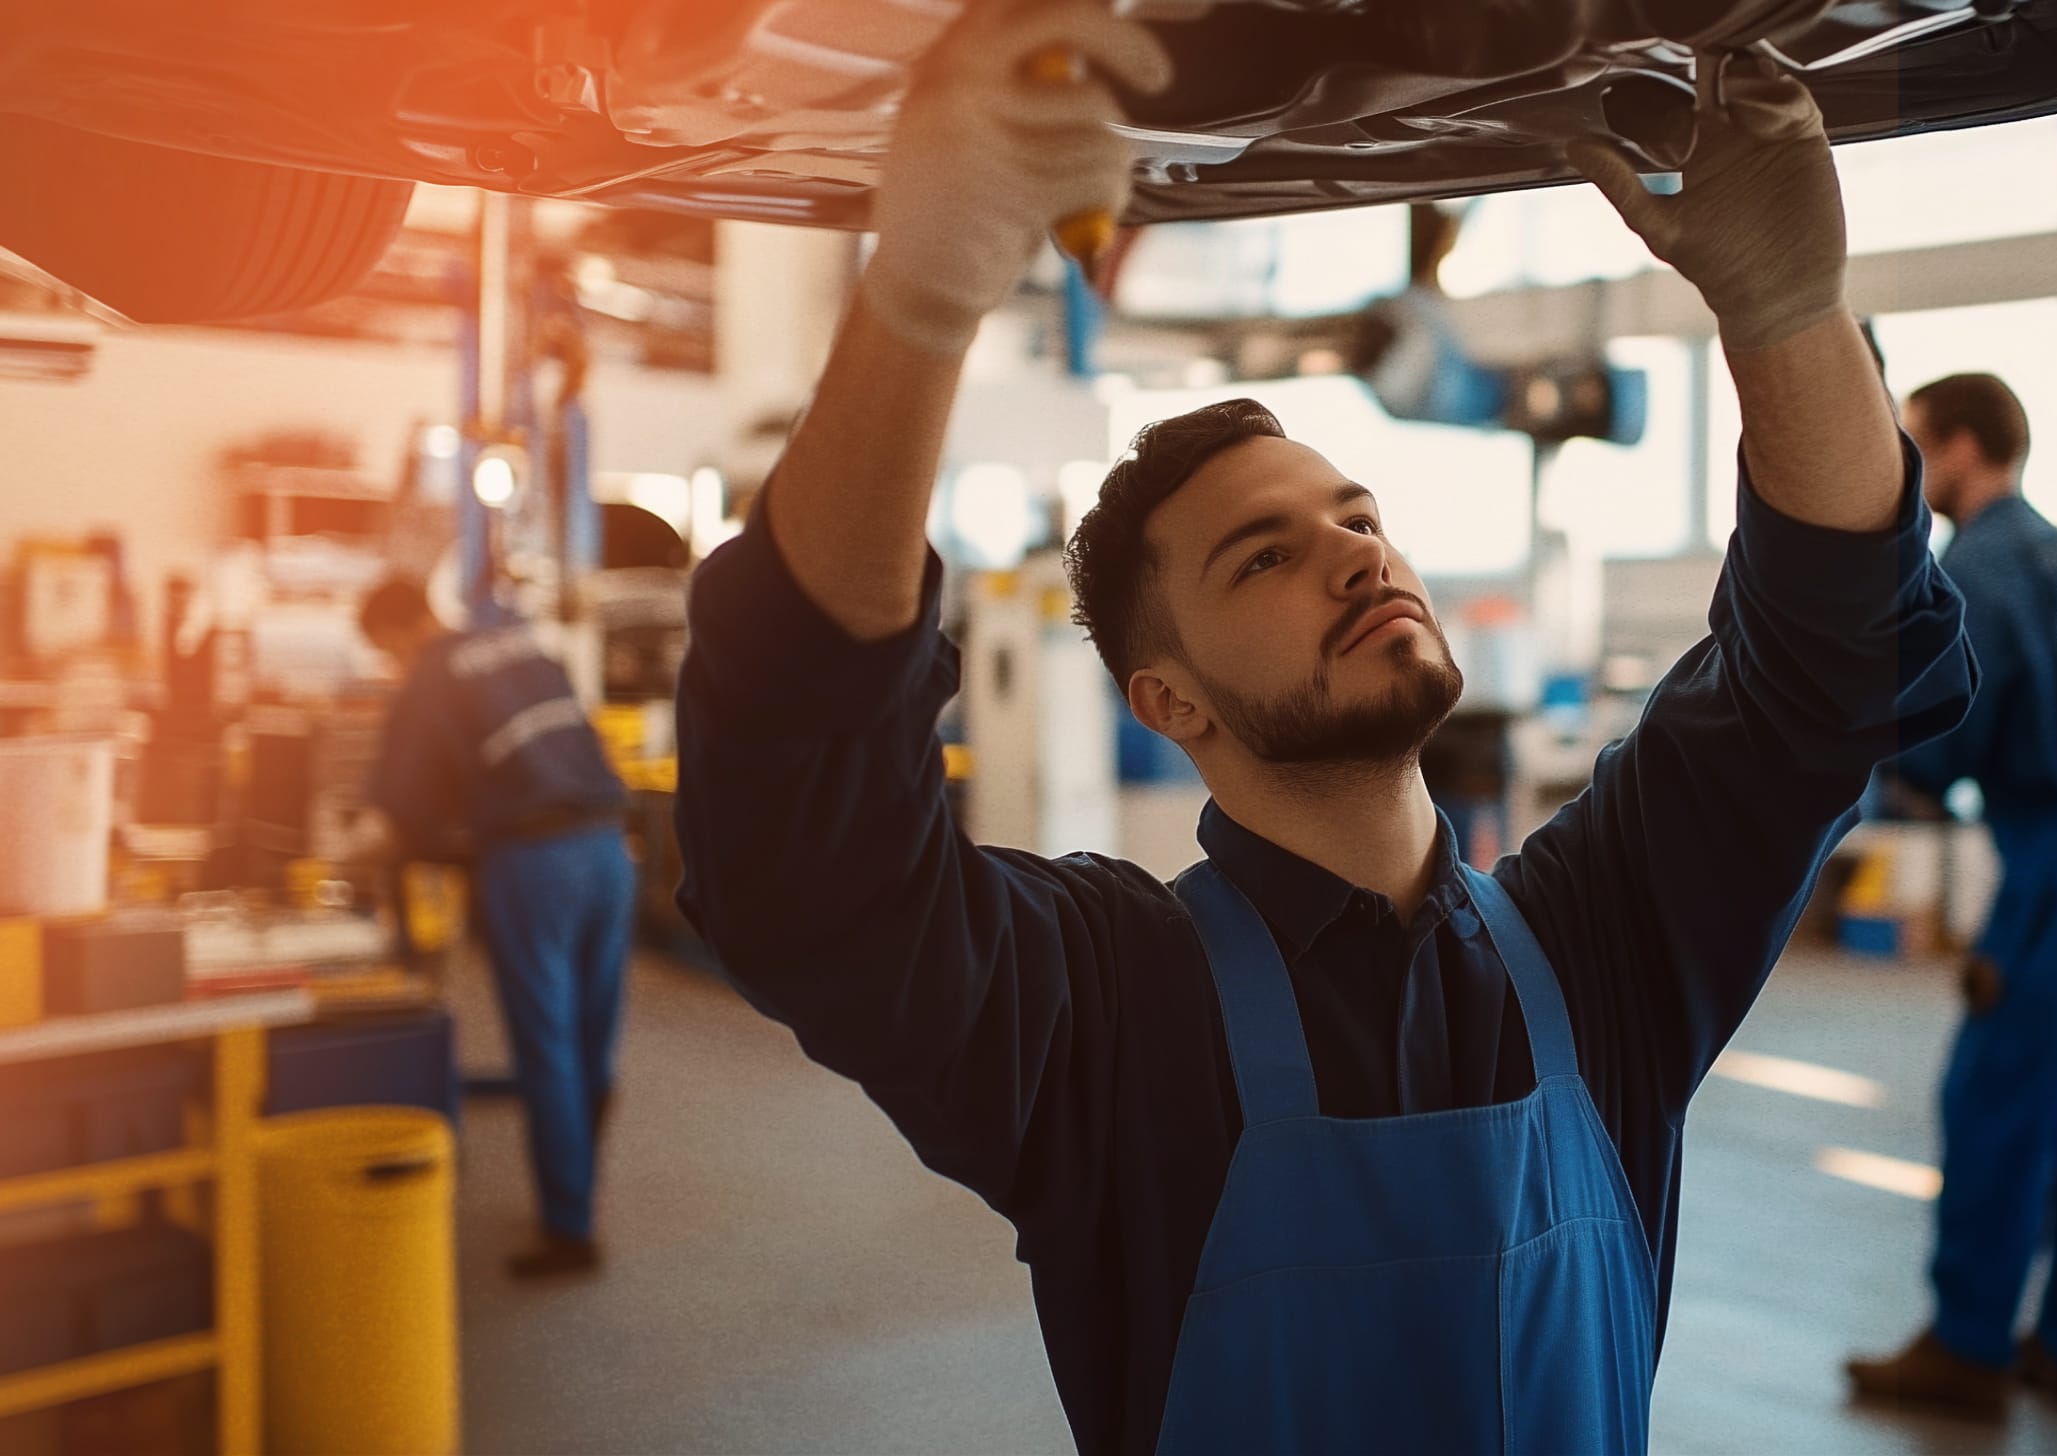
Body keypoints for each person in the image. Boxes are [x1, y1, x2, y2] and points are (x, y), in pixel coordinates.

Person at [674, 2, 1974, 1449]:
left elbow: (1831, 670)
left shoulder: (1608, 945)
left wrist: (1791, 314)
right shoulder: (1106, 1014)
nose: (1359, 555)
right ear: (1167, 702)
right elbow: (806, 864)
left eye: (1358, 516)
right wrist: (918, 300)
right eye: (1265, 557)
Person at [1845, 372, 2057, 1418]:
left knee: (1996, 1094)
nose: (1908, 475)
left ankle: (1965, 1347)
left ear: (1959, 449)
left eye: (1914, 449)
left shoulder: (1979, 568)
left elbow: (1943, 739)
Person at [355, 577, 634, 1279]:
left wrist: (348, 856)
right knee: (592, 1039)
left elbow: (394, 817)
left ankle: (571, 1232)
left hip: (534, 863)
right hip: (608, 849)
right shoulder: (514, 641)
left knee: (547, 1045)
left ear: (392, 634)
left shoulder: (429, 677)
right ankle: (580, 1187)